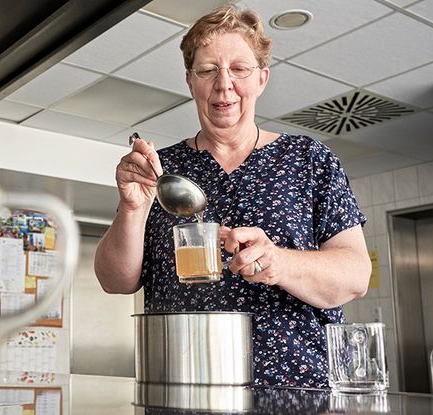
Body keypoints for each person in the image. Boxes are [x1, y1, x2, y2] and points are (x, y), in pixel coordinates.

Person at [94, 5, 371, 388]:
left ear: (262, 78)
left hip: (295, 390)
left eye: (239, 69)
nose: (224, 85)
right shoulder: (162, 171)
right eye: (208, 70)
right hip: (183, 384)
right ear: (190, 81)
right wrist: (132, 208)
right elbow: (115, 281)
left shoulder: (309, 159)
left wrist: (279, 263)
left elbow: (356, 275)